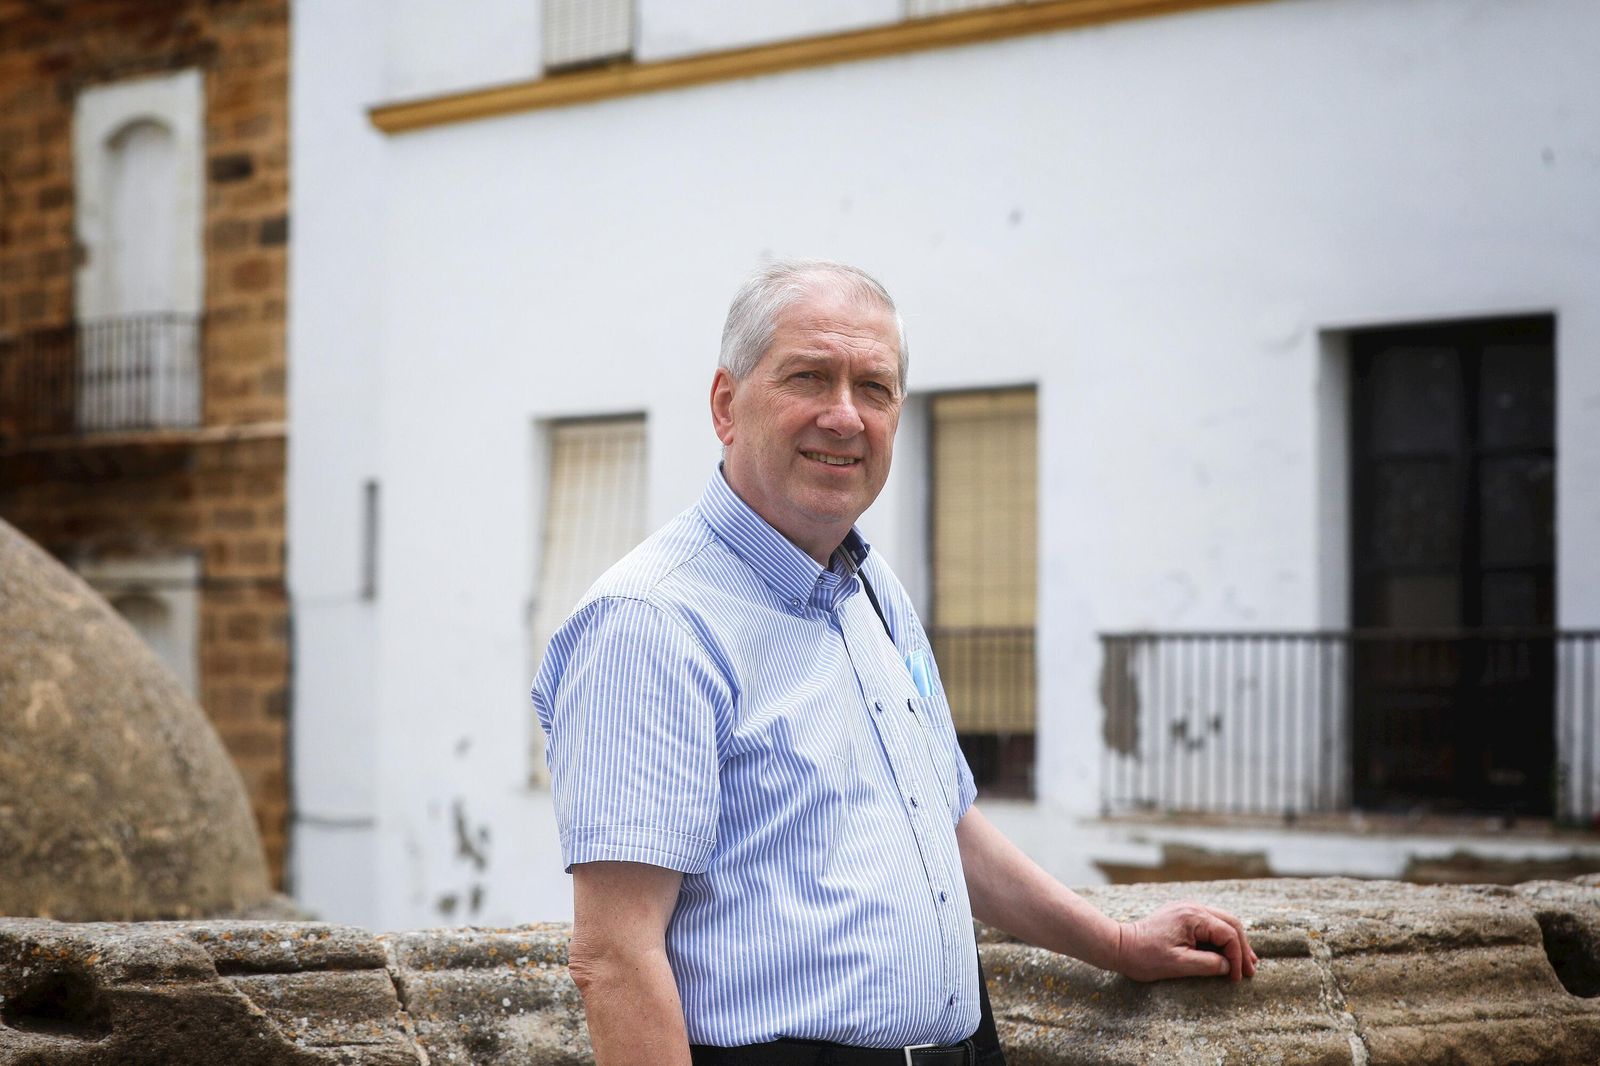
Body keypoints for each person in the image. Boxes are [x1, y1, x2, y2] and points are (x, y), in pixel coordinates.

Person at [532, 259, 1257, 1066]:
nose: (845, 417)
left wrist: (1117, 942)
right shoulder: (651, 623)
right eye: (810, 377)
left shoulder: (869, 585)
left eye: (873, 389)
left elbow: (943, 822)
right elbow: (614, 959)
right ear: (726, 406)